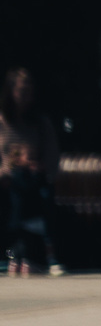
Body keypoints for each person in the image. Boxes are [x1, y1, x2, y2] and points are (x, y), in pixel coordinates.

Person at [0, 70, 64, 275]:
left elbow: (52, 155)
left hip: (34, 179)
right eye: (22, 91)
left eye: (30, 92)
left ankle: (23, 254)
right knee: (17, 191)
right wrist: (5, 171)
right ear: (11, 92)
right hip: (7, 179)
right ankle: (29, 255)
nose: (27, 97)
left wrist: (42, 168)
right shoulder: (1, 122)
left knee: (33, 194)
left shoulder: (40, 123)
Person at [2, 141, 49, 277]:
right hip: (25, 215)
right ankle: (25, 263)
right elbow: (28, 189)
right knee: (27, 241)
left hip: (24, 215)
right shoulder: (19, 174)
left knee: (24, 241)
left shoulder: (23, 174)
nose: (33, 161)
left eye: (35, 158)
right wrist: (36, 175)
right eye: (30, 158)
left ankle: (18, 263)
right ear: (18, 160)